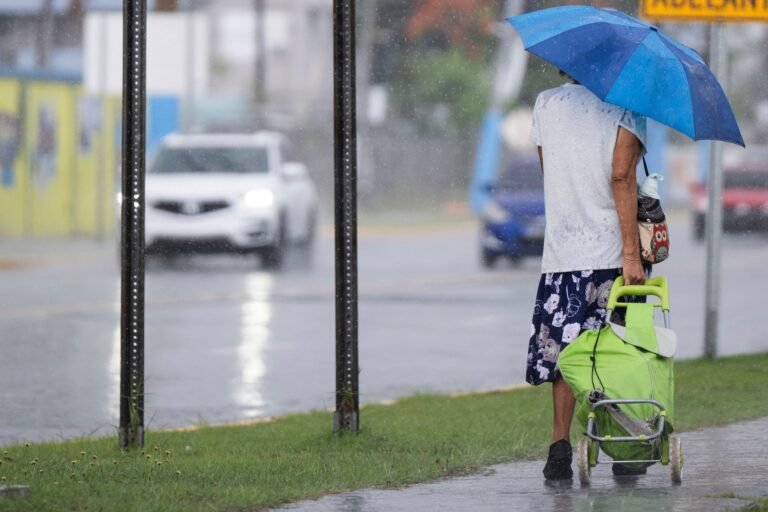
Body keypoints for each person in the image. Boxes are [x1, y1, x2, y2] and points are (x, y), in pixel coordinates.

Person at [525, 74, 647, 481]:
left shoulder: (546, 104)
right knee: (615, 351)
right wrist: (632, 254)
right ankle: (623, 447)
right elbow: (621, 177)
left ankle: (559, 448)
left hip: (562, 252)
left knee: (566, 354)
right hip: (611, 253)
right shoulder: (627, 106)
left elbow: (552, 171)